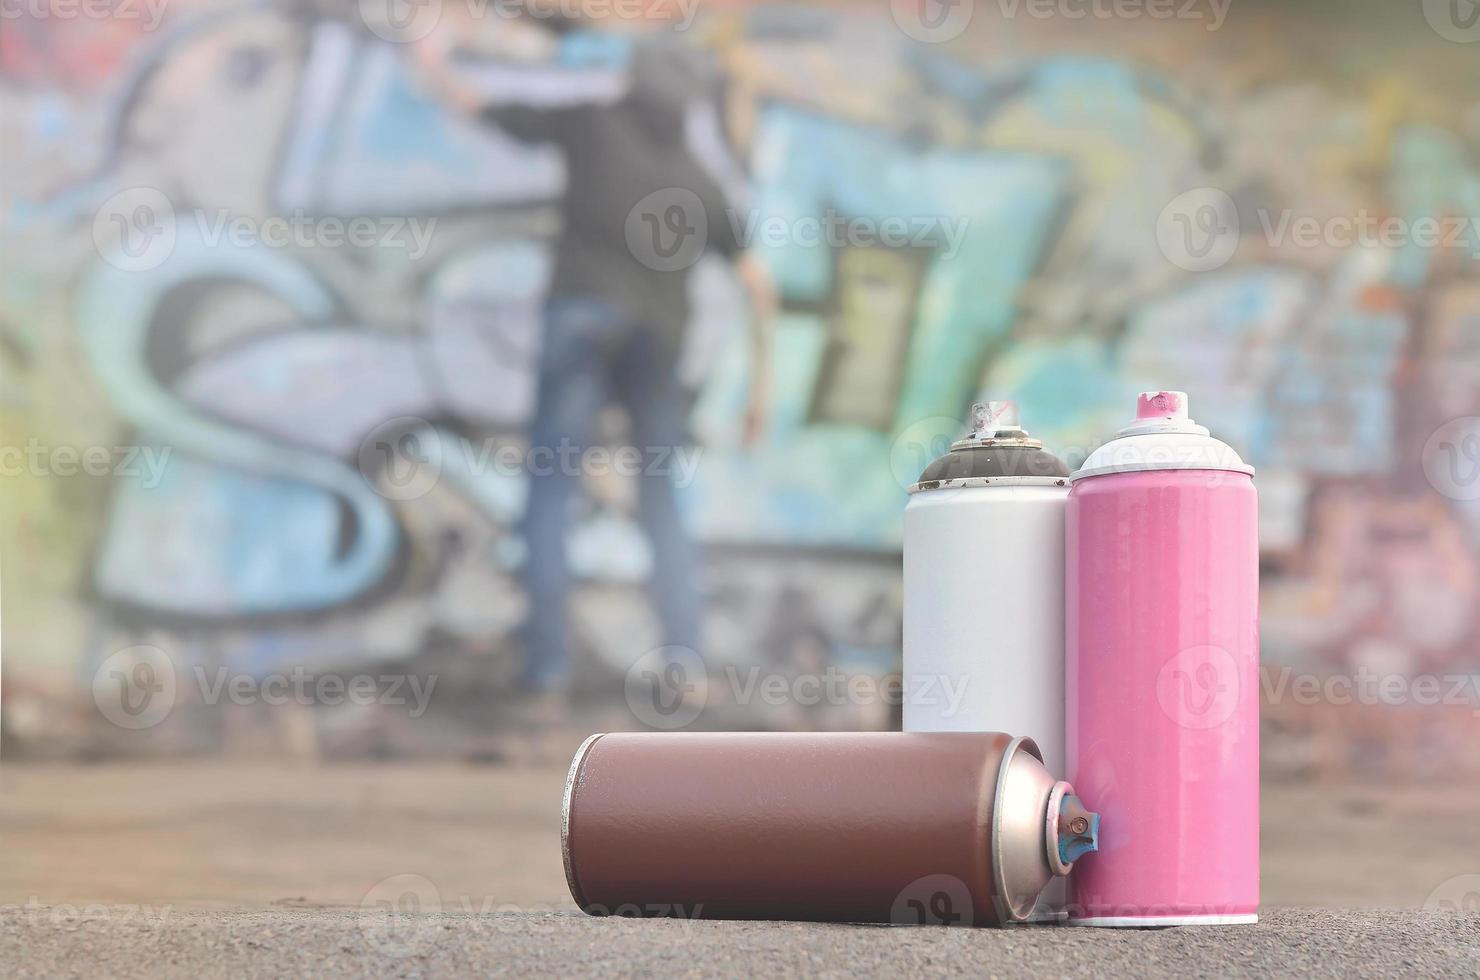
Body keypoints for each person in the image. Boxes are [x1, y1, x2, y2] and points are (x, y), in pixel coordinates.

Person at [412, 13, 776, 709]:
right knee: (661, 499)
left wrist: (432, 65)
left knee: (550, 490)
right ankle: (686, 667)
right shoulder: (698, 178)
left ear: (631, 80)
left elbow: (480, 107)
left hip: (579, 321)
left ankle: (545, 675)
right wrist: (759, 393)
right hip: (656, 344)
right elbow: (759, 285)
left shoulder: (593, 124)